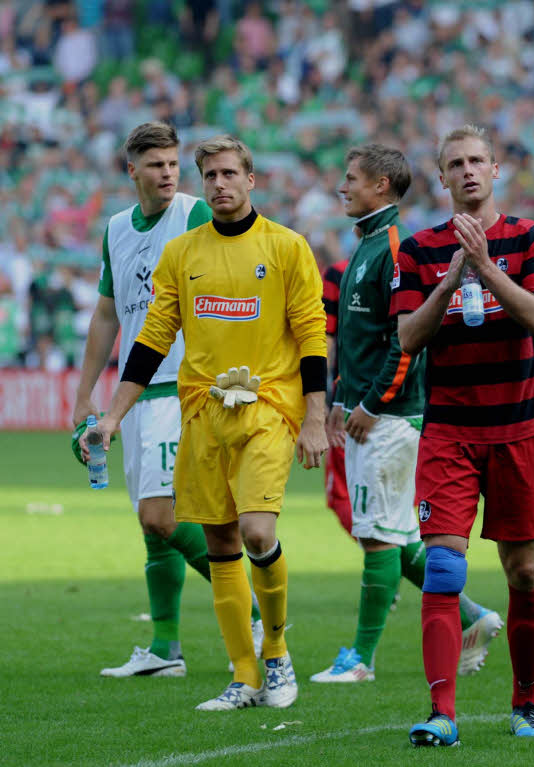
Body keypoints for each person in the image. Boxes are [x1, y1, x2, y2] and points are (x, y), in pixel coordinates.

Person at [83, 135, 329, 709]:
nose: (219, 185)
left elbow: (312, 336)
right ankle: (244, 678)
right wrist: (113, 415)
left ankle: (276, 655)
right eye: (210, 175)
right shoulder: (183, 253)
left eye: (228, 174)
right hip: (202, 409)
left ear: (251, 179)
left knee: (257, 533)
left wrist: (316, 416)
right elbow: (150, 340)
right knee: (219, 540)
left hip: (268, 406)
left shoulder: (288, 247)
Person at [71, 121, 262, 678]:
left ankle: (254, 613)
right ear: (131, 169)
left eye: (174, 164)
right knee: (149, 522)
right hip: (135, 393)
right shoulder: (115, 229)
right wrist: (86, 393)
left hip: (183, 388)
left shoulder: (193, 214)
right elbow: (108, 312)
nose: (168, 174)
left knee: (161, 517)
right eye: (155, 165)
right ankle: (163, 650)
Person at [391, 125, 534, 746]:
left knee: (522, 573)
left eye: (477, 161)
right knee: (442, 567)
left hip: (518, 428)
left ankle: (525, 702)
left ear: (496, 171)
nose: (467, 171)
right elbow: (409, 338)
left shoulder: (531, 237)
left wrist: (485, 269)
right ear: (442, 178)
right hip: (450, 431)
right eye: (455, 164)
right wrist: (451, 275)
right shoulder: (418, 249)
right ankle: (443, 714)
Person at [311, 143, 502, 684]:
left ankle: (360, 660)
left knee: (377, 537)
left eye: (351, 178)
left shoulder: (395, 248)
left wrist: (371, 404)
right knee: (397, 535)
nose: (342, 187)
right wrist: (341, 401)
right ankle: (476, 616)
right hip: (368, 411)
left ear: (381, 186)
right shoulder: (366, 245)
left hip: (391, 417)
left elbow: (406, 341)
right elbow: (357, 343)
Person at [321, 255, 353, 536]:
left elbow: (326, 338)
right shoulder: (413, 256)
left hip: (351, 403)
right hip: (413, 405)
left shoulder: (339, 273)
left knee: (342, 497)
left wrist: (322, 399)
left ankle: (435, 577)